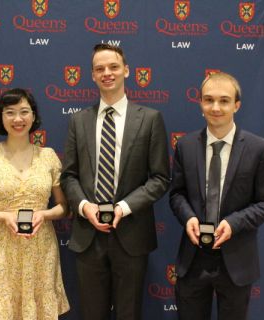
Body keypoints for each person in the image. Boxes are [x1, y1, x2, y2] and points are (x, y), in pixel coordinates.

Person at [60, 43, 170, 320]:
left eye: (113, 67)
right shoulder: (78, 121)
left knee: (128, 314)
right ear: (93, 76)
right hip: (88, 234)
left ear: (126, 71)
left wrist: (123, 207)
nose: (107, 73)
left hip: (132, 234)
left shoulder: (150, 119)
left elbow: (159, 178)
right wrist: (85, 207)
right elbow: (69, 175)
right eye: (100, 69)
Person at [169, 72, 264, 320]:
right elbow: (177, 194)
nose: (215, 107)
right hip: (193, 258)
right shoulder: (185, 146)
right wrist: (188, 218)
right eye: (208, 100)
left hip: (237, 260)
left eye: (224, 100)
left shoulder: (259, 149)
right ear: (200, 104)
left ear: (236, 105)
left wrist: (234, 223)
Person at [0, 88, 70, 320]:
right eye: (10, 112)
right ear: (1, 117)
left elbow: (63, 206)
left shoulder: (49, 156)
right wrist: (4, 217)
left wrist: (45, 214)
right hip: (2, 249)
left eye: (24, 112)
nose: (18, 119)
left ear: (33, 116)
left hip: (41, 249)